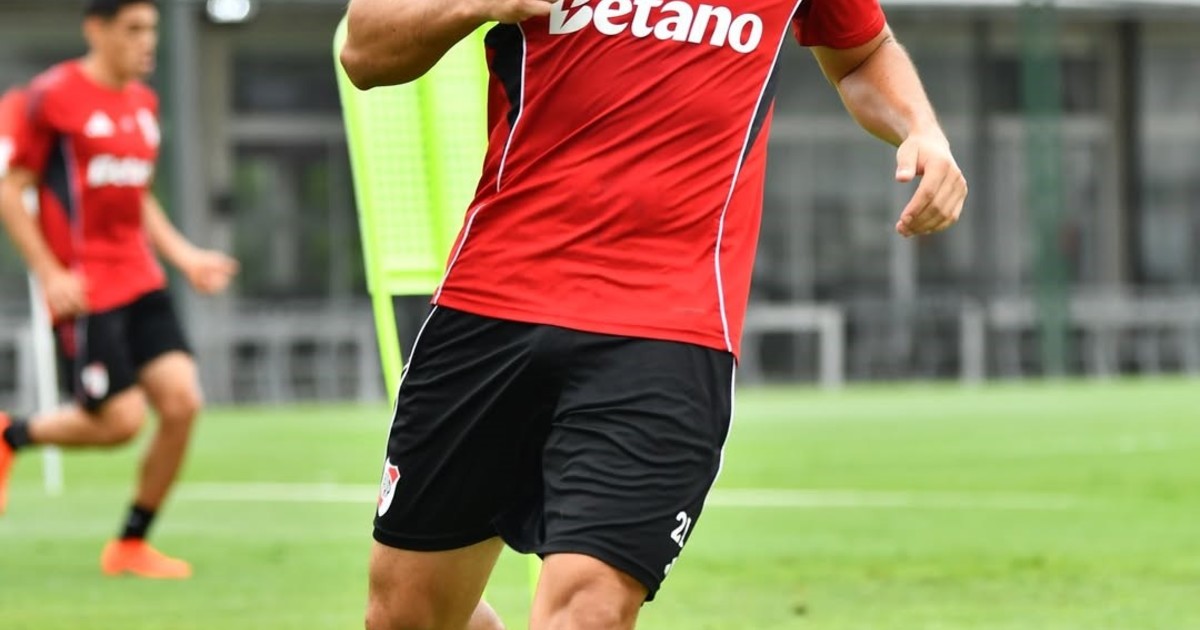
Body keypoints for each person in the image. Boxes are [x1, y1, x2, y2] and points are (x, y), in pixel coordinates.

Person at [340, 0, 968, 626]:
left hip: (668, 327)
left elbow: (862, 55)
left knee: (589, 609)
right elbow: (364, 51)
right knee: (404, 617)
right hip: (489, 305)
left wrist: (921, 128)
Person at [0, 0, 238, 579]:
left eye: (151, 29)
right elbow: (11, 187)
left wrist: (186, 258)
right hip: (87, 289)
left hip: (142, 279)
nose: (147, 42)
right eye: (133, 30)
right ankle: (11, 434)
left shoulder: (144, 104)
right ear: (96, 29)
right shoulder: (52, 97)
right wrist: (50, 273)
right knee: (120, 423)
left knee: (182, 404)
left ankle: (130, 545)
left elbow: (139, 197)